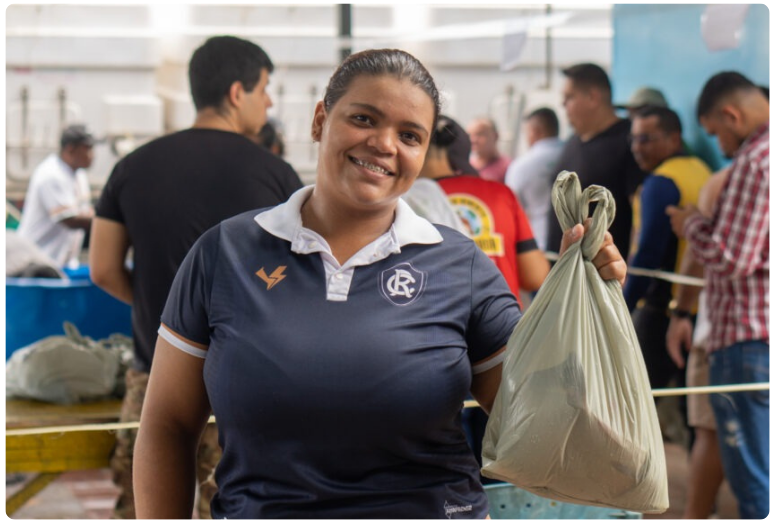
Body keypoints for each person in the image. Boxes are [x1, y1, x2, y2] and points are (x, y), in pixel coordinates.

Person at [133, 48, 627, 520]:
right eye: (364, 118)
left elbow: (538, 423)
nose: (385, 144)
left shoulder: (462, 268)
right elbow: (168, 426)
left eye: (410, 135)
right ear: (320, 120)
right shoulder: (226, 254)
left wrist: (579, 304)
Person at [90, 36, 302, 520]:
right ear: (236, 92)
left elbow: (102, 268)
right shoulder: (276, 175)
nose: (268, 102)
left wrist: (163, 312)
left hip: (154, 375)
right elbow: (299, 279)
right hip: (247, 382)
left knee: (142, 505)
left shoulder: (132, 167)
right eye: (265, 88)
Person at [667, 71, 770, 520]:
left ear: (731, 114)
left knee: (753, 477)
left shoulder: (756, 160)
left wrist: (689, 224)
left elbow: (731, 257)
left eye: (717, 133)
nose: (720, 146)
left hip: (747, 335)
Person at [624, 106, 711, 390]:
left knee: (637, 404)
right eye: (634, 139)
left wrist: (622, 306)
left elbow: (647, 254)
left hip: (662, 312)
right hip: (701, 308)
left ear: (674, 138)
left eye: (646, 139)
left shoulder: (661, 183)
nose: (638, 148)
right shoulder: (703, 171)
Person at [427, 115, 550, 304]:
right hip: (503, 322)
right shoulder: (500, 193)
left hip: (436, 325)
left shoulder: (402, 202)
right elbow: (535, 276)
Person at [666, 168, 729, 520]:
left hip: (727, 331)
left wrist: (680, 313)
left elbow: (699, 258)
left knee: (709, 430)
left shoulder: (727, 180)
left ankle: (699, 515)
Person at [546, 63, 645, 260]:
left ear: (593, 97)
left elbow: (642, 215)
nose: (563, 105)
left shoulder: (629, 143)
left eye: (569, 97)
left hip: (600, 276)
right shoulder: (572, 142)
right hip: (562, 270)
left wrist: (630, 275)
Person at [17, 124, 95, 268]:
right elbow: (69, 219)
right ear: (71, 149)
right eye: (87, 149)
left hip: (62, 263)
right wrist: (109, 220)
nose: (92, 155)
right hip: (35, 263)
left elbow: (86, 212)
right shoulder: (51, 174)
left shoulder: (79, 174)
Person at [504, 107, 564, 251]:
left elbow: (512, 212)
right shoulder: (572, 154)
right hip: (579, 245)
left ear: (535, 131)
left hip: (539, 244)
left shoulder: (521, 166)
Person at [467, 117, 511, 183]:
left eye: (479, 134)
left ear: (496, 136)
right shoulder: (467, 166)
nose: (473, 140)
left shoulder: (508, 167)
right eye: (469, 135)